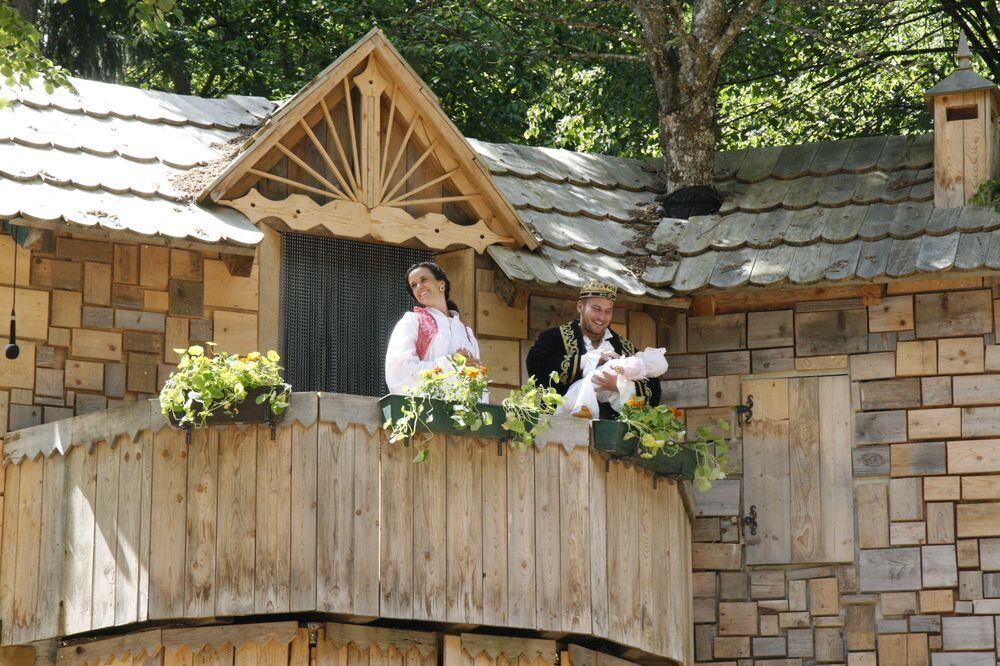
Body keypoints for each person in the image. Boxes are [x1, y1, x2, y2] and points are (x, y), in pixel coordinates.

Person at [526, 280, 662, 419]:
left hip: (610, 432)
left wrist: (619, 385)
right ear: (580, 307)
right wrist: (590, 360)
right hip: (561, 427)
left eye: (608, 311)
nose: (602, 317)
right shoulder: (553, 338)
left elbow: (654, 389)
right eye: (596, 309)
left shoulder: (624, 347)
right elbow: (536, 367)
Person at [384, 262, 480, 395]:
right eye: (414, 285)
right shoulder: (412, 321)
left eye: (423, 279)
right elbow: (398, 373)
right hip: (426, 410)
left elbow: (478, 383)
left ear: (442, 284)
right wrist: (450, 364)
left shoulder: (466, 332)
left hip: (462, 413)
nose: (419, 286)